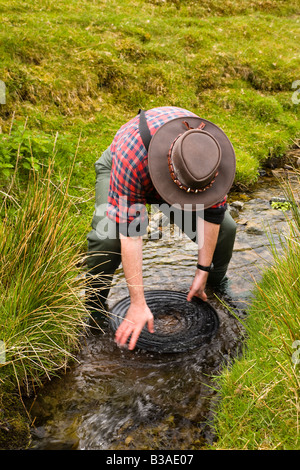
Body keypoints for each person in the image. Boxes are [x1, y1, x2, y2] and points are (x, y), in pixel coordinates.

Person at [86, 106, 236, 350]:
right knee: (108, 239)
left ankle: (215, 287)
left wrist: (203, 270)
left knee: (226, 230)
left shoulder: (212, 157)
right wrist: (137, 302)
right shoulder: (131, 156)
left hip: (184, 181)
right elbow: (131, 234)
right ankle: (93, 306)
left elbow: (214, 213)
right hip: (125, 169)